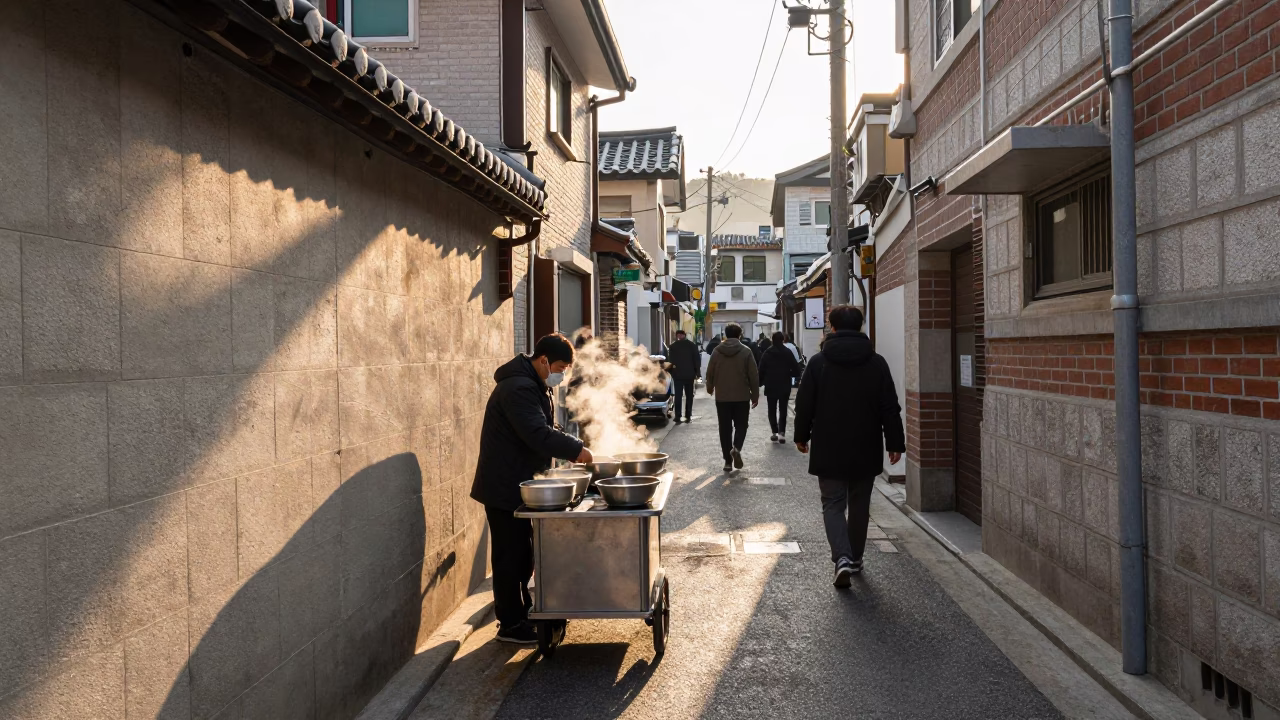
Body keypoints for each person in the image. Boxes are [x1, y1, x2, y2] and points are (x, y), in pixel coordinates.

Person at [471, 333, 593, 644]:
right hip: (504, 485)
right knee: (510, 557)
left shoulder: (534, 384)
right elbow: (536, 433)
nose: (562, 374)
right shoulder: (518, 388)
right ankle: (510, 625)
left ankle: (522, 612)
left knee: (523, 555)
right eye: (560, 367)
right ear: (542, 361)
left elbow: (546, 426)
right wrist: (576, 449)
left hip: (520, 483)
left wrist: (567, 443)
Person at [793, 306, 905, 589]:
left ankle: (841, 557)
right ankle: (854, 559)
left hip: (828, 443)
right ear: (861, 327)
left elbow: (805, 403)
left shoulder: (819, 363)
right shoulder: (876, 362)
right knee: (859, 504)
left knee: (832, 503)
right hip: (865, 443)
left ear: (831, 327)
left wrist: (801, 435)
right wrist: (895, 442)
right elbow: (889, 406)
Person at [705, 322, 759, 472]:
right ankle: (736, 448)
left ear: (726, 335)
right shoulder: (746, 351)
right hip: (741, 396)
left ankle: (727, 462)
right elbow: (753, 376)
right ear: (740, 335)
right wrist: (755, 395)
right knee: (742, 425)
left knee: (725, 428)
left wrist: (710, 388)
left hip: (722, 397)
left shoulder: (717, 351)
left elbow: (710, 372)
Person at [758, 331, 801, 443]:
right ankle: (782, 432)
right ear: (783, 340)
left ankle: (774, 432)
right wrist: (791, 374)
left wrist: (759, 382)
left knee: (771, 409)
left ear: (772, 339)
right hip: (784, 384)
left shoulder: (767, 353)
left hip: (771, 384)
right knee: (783, 409)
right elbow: (796, 369)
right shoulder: (787, 352)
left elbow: (761, 369)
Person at [666, 329, 700, 423]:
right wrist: (697, 373)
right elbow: (697, 360)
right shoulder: (692, 345)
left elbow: (671, 361)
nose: (679, 336)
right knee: (688, 396)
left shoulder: (673, 346)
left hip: (678, 375)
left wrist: (672, 372)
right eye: (679, 335)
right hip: (689, 375)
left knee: (679, 395)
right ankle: (687, 415)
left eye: (680, 335)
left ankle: (678, 416)